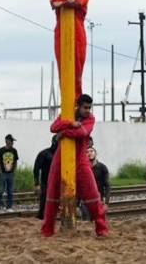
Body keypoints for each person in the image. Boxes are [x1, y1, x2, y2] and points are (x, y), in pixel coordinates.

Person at [41, 94, 108, 238]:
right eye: (85, 108)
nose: (88, 110)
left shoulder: (90, 119)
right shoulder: (67, 115)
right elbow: (53, 127)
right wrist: (70, 123)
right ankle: (47, 230)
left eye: (89, 108)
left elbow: (81, 132)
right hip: (61, 157)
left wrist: (63, 133)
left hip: (80, 159)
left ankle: (102, 229)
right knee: (52, 193)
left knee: (92, 194)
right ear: (78, 106)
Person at [50, 0, 90, 99]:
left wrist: (63, 3)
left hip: (78, 36)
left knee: (77, 69)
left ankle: (77, 99)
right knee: (62, 70)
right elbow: (54, 2)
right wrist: (68, 2)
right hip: (61, 35)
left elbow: (77, 2)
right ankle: (65, 99)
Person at [80, 145, 109, 221]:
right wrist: (77, 204)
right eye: (87, 152)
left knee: (99, 221)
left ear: (96, 153)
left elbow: (107, 186)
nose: (89, 153)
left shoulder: (102, 167)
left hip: (99, 200)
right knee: (86, 222)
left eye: (91, 151)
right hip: (85, 201)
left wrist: (106, 202)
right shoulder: (82, 168)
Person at [34, 136, 59, 220]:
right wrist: (36, 184)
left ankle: (53, 216)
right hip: (46, 181)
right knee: (44, 200)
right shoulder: (44, 154)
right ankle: (41, 216)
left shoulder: (62, 154)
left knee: (56, 200)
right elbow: (36, 168)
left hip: (58, 182)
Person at [0, 134, 19, 212]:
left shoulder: (14, 151)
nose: (12, 142)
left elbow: (15, 161)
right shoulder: (1, 150)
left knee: (10, 191)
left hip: (11, 174)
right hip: (3, 173)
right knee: (0, 190)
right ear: (7, 141)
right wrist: (0, 171)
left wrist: (14, 171)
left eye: (13, 141)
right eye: (11, 141)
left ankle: (9, 207)